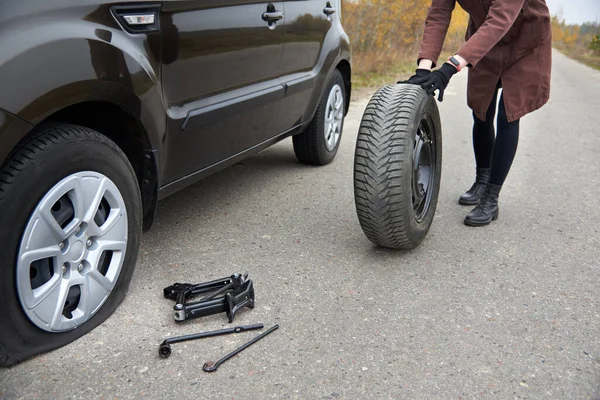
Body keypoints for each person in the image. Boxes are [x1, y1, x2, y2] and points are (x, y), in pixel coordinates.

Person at [403, 0, 552, 227]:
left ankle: (491, 198)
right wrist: (424, 69)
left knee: (508, 114)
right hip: (485, 44)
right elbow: (439, 14)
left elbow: (501, 18)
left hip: (525, 43)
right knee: (481, 110)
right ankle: (481, 180)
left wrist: (450, 67)